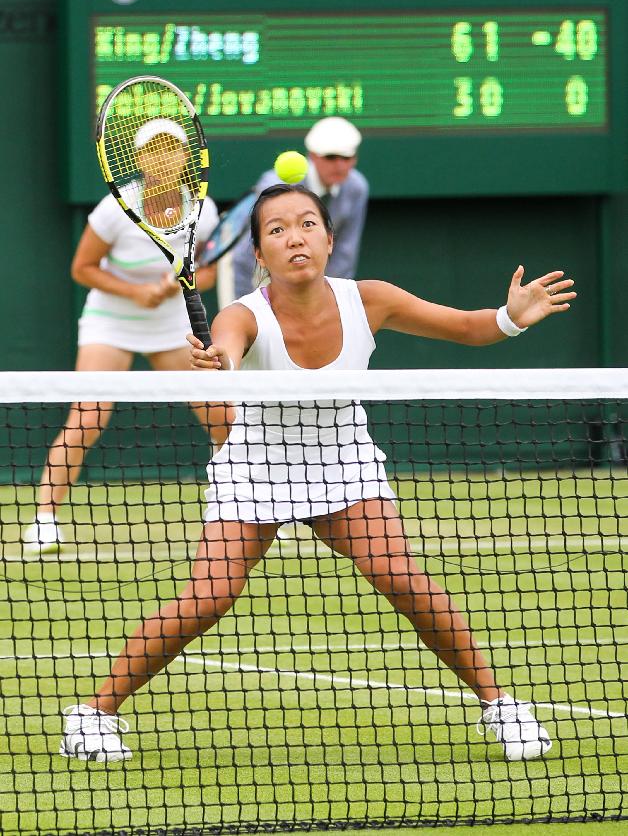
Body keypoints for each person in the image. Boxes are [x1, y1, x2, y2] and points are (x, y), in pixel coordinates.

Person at [60, 184, 576, 764]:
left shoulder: (370, 299)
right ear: (258, 254)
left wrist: (511, 317)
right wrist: (216, 362)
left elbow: (464, 326)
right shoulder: (242, 313)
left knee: (403, 579)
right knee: (208, 598)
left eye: (306, 224)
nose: (294, 237)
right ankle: (91, 715)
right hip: (256, 465)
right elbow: (228, 344)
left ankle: (501, 707)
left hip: (342, 462)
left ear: (329, 240)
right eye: (276, 230)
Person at [23, 118, 220, 556]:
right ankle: (44, 520)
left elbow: (211, 269)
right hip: (110, 321)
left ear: (186, 156)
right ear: (138, 158)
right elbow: (82, 269)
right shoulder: (115, 208)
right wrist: (136, 292)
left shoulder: (203, 208)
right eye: (154, 150)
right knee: (87, 416)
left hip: (172, 324)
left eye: (172, 149)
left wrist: (183, 282)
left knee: (220, 415)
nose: (163, 158)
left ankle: (253, 503)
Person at [224, 116, 367, 303]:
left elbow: (344, 254)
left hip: (304, 270)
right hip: (252, 266)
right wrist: (245, 307)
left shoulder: (357, 187)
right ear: (313, 155)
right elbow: (245, 255)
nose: (339, 165)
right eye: (331, 157)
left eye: (346, 158)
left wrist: (330, 300)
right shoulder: (274, 186)